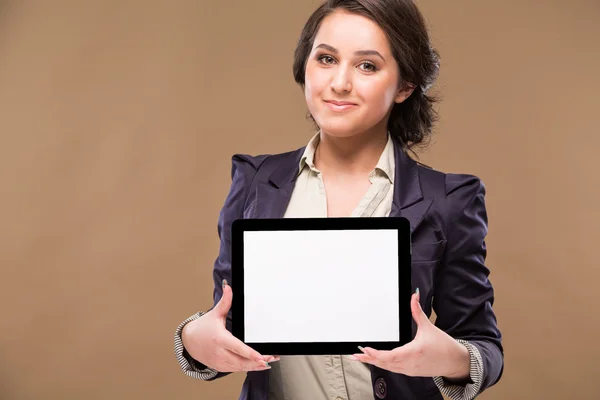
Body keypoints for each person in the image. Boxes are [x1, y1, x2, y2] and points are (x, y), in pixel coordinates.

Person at [173, 0, 504, 399]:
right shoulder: (256, 182)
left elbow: (483, 347)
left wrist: (451, 359)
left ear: (405, 85)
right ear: (305, 67)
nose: (340, 83)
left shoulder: (449, 200)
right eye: (326, 58)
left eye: (367, 65)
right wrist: (192, 339)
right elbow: (225, 327)